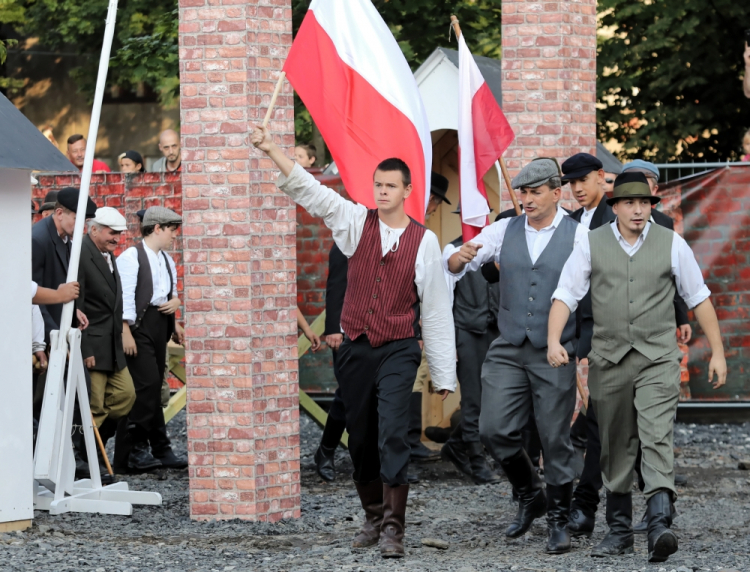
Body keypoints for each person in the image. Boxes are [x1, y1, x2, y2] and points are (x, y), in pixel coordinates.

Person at [252, 125, 456, 559]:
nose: (381, 192)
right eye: (377, 185)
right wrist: (272, 149)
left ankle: (394, 530)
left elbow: (436, 310)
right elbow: (311, 191)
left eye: (390, 186)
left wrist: (443, 372)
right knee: (361, 438)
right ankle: (373, 515)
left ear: (407, 191)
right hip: (356, 348)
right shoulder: (353, 221)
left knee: (393, 434)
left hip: (399, 346)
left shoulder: (426, 242)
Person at [548, 171, 727, 563]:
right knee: (614, 443)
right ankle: (618, 530)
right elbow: (566, 293)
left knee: (656, 432)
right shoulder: (591, 244)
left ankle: (660, 523)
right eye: (630, 202)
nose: (638, 209)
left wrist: (717, 351)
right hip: (609, 359)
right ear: (615, 208)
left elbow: (699, 297)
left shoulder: (671, 243)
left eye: (644, 203)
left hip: (657, 357)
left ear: (651, 206)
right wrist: (552, 339)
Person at [445, 158, 587, 555]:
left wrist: (582, 344)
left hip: (554, 350)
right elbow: (462, 258)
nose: (526, 199)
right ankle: (529, 493)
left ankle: (559, 521)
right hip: (507, 347)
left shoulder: (579, 236)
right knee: (492, 429)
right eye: (522, 192)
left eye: (535, 192)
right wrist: (458, 259)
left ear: (556, 194)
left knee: (555, 438)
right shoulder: (504, 229)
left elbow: (587, 289)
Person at [116, 206, 187, 472]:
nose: (174, 236)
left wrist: (175, 318)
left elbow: (169, 294)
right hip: (138, 326)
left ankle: (160, 448)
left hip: (160, 325)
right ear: (156, 228)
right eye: (171, 230)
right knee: (146, 386)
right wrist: (126, 332)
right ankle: (132, 450)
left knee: (155, 386)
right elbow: (123, 299)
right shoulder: (131, 257)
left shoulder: (166, 260)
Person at [439, 206, 501, 485]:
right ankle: (477, 460)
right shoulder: (451, 250)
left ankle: (456, 443)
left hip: (497, 331)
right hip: (467, 331)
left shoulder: (500, 246)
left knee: (497, 399)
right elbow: (444, 300)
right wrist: (448, 344)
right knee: (474, 400)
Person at [78, 207, 137, 480]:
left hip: (112, 345)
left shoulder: (107, 255)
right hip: (94, 345)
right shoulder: (80, 254)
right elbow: (76, 308)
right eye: (112, 233)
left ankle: (92, 449)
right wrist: (86, 348)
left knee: (126, 396)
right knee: (95, 406)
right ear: (94, 229)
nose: (117, 239)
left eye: (120, 234)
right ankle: (83, 458)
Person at [314, 243, 349, 482]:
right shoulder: (346, 243)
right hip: (348, 332)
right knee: (348, 393)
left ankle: (384, 457)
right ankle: (326, 450)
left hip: (383, 330)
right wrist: (334, 329)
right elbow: (336, 286)